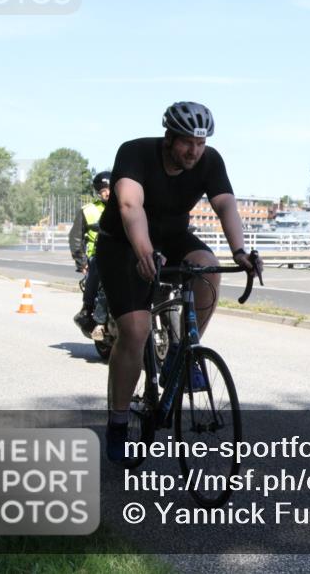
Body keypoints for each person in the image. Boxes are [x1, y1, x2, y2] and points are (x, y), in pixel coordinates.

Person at [96, 101, 261, 462]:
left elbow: (226, 205)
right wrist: (143, 252)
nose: (195, 151)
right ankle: (118, 423)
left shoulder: (210, 160)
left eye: (201, 143)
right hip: (124, 243)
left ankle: (180, 355)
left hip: (172, 237)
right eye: (187, 142)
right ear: (169, 137)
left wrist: (240, 252)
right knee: (136, 331)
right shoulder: (135, 151)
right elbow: (129, 206)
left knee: (208, 266)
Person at [70, 171, 111, 335]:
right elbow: (75, 238)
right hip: (98, 254)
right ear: (98, 192)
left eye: (109, 188)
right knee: (98, 267)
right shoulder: (88, 210)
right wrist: (81, 262)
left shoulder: (127, 206)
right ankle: (87, 310)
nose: (107, 192)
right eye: (103, 189)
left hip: (122, 253)